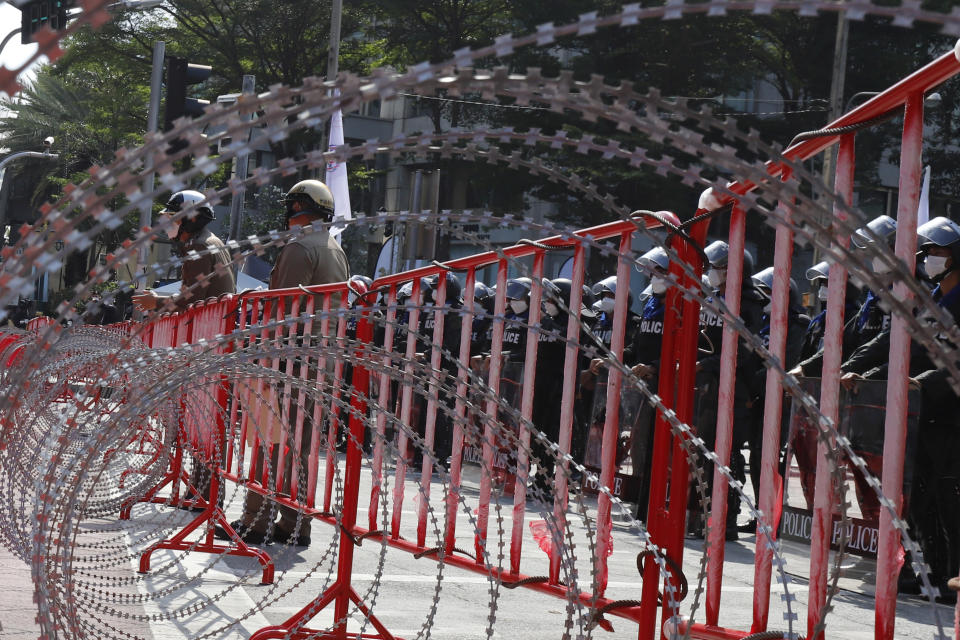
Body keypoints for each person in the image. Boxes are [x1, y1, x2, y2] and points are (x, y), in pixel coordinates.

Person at [217, 179, 349, 548]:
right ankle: (294, 522)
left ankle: (254, 521)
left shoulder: (298, 246)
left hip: (291, 356)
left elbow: (282, 308)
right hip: (319, 356)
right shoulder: (333, 247)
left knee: (267, 438)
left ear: (296, 209)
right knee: (299, 444)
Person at [131, 190, 236, 511]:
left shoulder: (202, 247)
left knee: (204, 418)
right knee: (200, 418)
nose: (167, 224)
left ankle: (205, 491)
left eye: (173, 217)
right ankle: (200, 488)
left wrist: (157, 303)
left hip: (210, 343)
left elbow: (193, 299)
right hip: (208, 342)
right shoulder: (197, 243)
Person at [691, 240, 765, 541]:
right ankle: (708, 515)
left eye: (719, 268)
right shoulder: (715, 299)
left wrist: (705, 364)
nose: (712, 273)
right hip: (711, 385)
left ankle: (727, 519)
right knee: (706, 453)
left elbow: (742, 352)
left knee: (728, 455)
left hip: (735, 388)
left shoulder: (748, 302)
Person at [133, 190, 235, 313]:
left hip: (210, 323)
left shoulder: (199, 247)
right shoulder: (210, 241)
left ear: (192, 219)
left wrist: (156, 302)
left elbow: (191, 300)